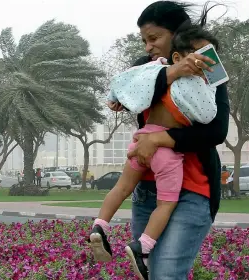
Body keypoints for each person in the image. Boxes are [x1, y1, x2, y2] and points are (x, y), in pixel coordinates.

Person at [89, 2, 229, 279]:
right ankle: (99, 226)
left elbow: (216, 131)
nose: (147, 47)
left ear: (177, 34)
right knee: (151, 273)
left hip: (193, 191)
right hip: (146, 191)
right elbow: (123, 90)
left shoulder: (209, 67)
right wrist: (173, 72)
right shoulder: (145, 68)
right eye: (144, 40)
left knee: (166, 274)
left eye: (154, 39)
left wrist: (158, 139)